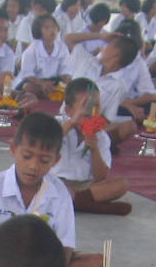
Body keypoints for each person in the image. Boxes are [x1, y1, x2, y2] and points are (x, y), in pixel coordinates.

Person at [0, 112, 103, 267]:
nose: (33, 166)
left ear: (56, 160)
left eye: (44, 160)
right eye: (27, 156)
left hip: (44, 265)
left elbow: (65, 245)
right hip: (4, 265)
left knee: (99, 263)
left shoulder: (60, 192)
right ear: (13, 149)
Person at [53, 77, 132, 215]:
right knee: (46, 187)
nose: (90, 111)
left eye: (96, 106)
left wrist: (94, 148)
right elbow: (47, 141)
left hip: (85, 187)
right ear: (68, 109)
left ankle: (74, 202)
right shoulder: (58, 124)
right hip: (57, 182)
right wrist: (71, 123)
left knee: (122, 184)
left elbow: (100, 177)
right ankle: (92, 206)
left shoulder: (101, 136)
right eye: (85, 105)